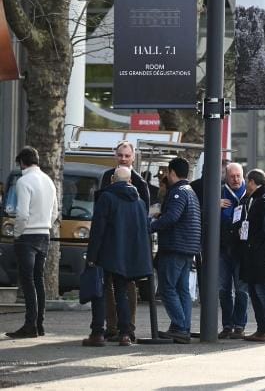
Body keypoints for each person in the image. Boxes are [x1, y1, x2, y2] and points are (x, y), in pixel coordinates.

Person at [82, 167, 152, 347]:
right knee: (122, 293)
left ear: (112, 179)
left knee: (101, 292)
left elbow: (98, 229)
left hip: (107, 253)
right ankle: (125, 334)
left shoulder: (106, 197)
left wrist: (92, 256)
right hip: (127, 256)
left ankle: (97, 332)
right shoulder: (140, 202)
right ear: (130, 181)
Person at [98, 141, 150, 342]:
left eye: (127, 155)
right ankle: (112, 326)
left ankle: (128, 326)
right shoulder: (106, 177)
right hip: (111, 239)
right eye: (120, 155)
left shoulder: (139, 182)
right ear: (115, 155)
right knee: (109, 285)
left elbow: (143, 216)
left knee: (128, 285)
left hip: (130, 242)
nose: (123, 158)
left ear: (133, 157)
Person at [6, 146, 57, 339]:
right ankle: (39, 324)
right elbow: (54, 212)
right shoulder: (49, 181)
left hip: (27, 236)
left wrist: (17, 234)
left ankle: (29, 325)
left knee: (27, 282)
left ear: (22, 162)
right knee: (38, 280)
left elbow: (22, 213)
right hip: (44, 234)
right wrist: (46, 226)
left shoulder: (24, 181)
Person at [149, 157, 201, 344]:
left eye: (166, 173)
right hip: (188, 247)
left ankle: (179, 326)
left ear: (172, 172)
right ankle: (182, 326)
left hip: (175, 247)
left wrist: (151, 226)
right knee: (182, 289)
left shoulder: (178, 192)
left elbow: (172, 217)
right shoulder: (190, 191)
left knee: (167, 288)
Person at [239, 169, 265, 342]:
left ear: (253, 182)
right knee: (254, 290)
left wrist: (256, 245)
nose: (246, 185)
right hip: (251, 253)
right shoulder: (252, 199)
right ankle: (262, 328)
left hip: (261, 254)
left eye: (247, 181)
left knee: (262, 290)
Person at [218, 162, 248, 339]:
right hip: (223, 248)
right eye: (232, 176)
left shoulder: (249, 194)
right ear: (226, 177)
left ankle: (239, 325)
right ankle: (227, 325)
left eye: (238, 176)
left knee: (242, 290)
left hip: (242, 250)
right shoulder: (219, 192)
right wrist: (215, 205)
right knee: (223, 289)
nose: (236, 179)